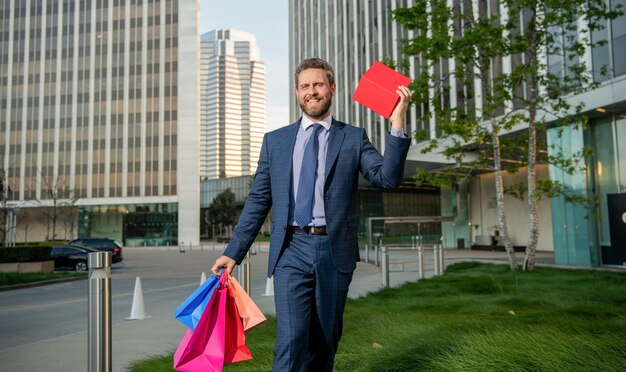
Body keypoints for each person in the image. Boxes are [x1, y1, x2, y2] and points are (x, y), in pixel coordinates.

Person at [211, 57, 411, 371]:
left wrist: (397, 123)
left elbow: (387, 178)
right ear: (297, 92)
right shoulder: (275, 142)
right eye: (305, 86)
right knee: (290, 340)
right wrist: (233, 252)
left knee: (324, 342)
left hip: (335, 250)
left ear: (331, 88)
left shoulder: (353, 137)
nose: (312, 91)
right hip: (291, 249)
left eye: (318, 84)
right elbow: (257, 202)